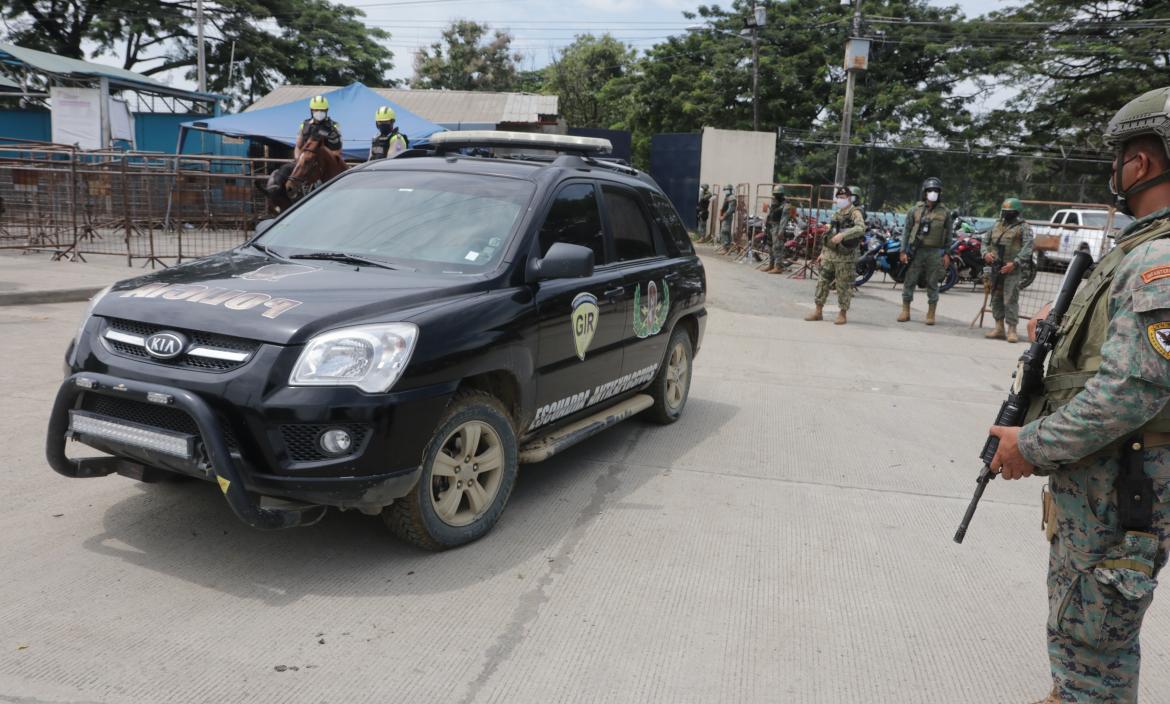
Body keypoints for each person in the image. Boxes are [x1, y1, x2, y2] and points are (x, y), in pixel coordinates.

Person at [987, 86, 1170, 704]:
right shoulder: (1142, 249)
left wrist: (1030, 445)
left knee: (1094, 631)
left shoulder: (1158, 260)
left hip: (1126, 481)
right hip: (1115, 475)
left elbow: (1132, 390)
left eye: (1118, 157)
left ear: (1140, 163)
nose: (1115, 170)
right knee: (1090, 626)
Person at [898, 177, 955, 325]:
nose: (933, 193)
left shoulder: (945, 212)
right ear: (924, 192)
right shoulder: (915, 210)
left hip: (935, 252)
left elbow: (949, 233)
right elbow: (906, 231)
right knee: (909, 280)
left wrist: (948, 253)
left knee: (933, 282)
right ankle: (905, 310)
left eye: (936, 191)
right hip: (916, 251)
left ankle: (931, 314)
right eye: (930, 190)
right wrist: (903, 251)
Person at [805, 186, 864, 325]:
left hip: (845, 257)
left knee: (843, 286)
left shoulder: (855, 213)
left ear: (849, 199)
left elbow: (861, 228)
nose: (840, 200)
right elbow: (829, 234)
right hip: (830, 255)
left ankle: (842, 313)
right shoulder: (836, 213)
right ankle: (818, 311)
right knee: (822, 282)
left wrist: (843, 234)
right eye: (838, 198)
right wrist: (822, 253)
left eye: (843, 198)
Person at [982, 196, 1034, 343]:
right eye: (1005, 211)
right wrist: (986, 254)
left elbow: (1028, 247)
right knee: (996, 298)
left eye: (1010, 211)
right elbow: (984, 242)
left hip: (1012, 269)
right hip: (996, 268)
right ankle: (999, 328)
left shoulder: (1024, 227)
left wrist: (1015, 263)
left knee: (1010, 298)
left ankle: (1012, 330)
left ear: (1017, 212)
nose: (1006, 214)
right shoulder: (996, 225)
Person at [296, 95, 343, 160]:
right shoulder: (304, 125)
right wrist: (297, 160)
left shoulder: (334, 126)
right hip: (306, 162)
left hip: (326, 162)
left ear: (326, 110)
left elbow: (337, 151)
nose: (319, 112)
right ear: (311, 111)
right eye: (316, 110)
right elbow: (298, 147)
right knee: (286, 168)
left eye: (322, 110)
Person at [765, 185, 793, 274]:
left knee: (777, 247)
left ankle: (778, 267)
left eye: (778, 194)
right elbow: (770, 214)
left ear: (782, 194)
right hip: (771, 226)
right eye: (775, 194)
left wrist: (781, 232)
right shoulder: (774, 202)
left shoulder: (786, 204)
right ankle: (771, 264)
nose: (776, 196)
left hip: (778, 227)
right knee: (770, 246)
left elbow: (784, 219)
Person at [717, 186, 736, 254]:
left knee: (724, 231)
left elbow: (730, 210)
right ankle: (726, 247)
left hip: (727, 217)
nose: (725, 191)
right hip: (725, 216)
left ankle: (726, 248)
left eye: (726, 190)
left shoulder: (732, 198)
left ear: (730, 190)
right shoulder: (727, 197)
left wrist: (723, 217)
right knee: (725, 231)